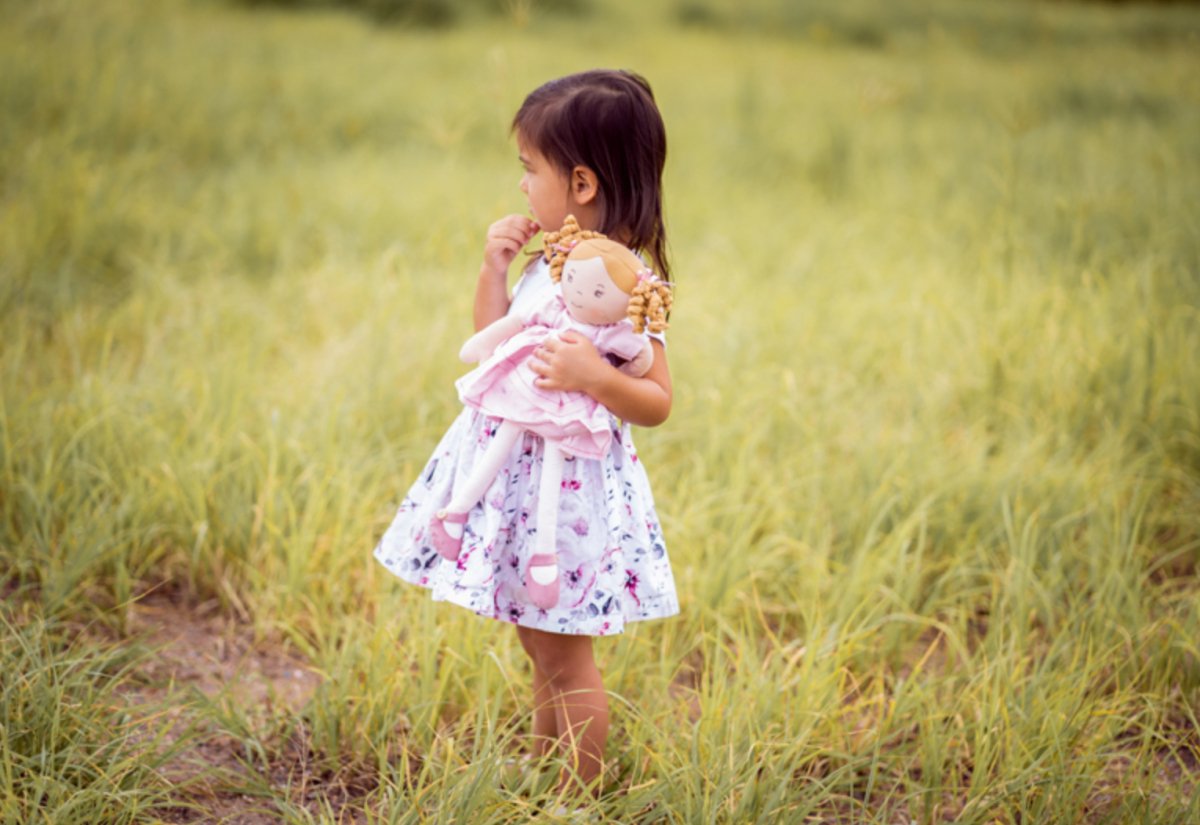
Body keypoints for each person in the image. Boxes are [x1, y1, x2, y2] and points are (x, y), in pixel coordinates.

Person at [374, 69, 679, 798]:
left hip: (566, 495)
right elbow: (494, 336)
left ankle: (575, 797)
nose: (521, 187)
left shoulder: (624, 283)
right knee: (538, 641)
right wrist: (494, 266)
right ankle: (547, 773)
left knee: (566, 657)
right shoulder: (556, 261)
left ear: (579, 182)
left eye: (528, 170)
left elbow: (658, 398)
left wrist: (595, 378)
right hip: (516, 483)